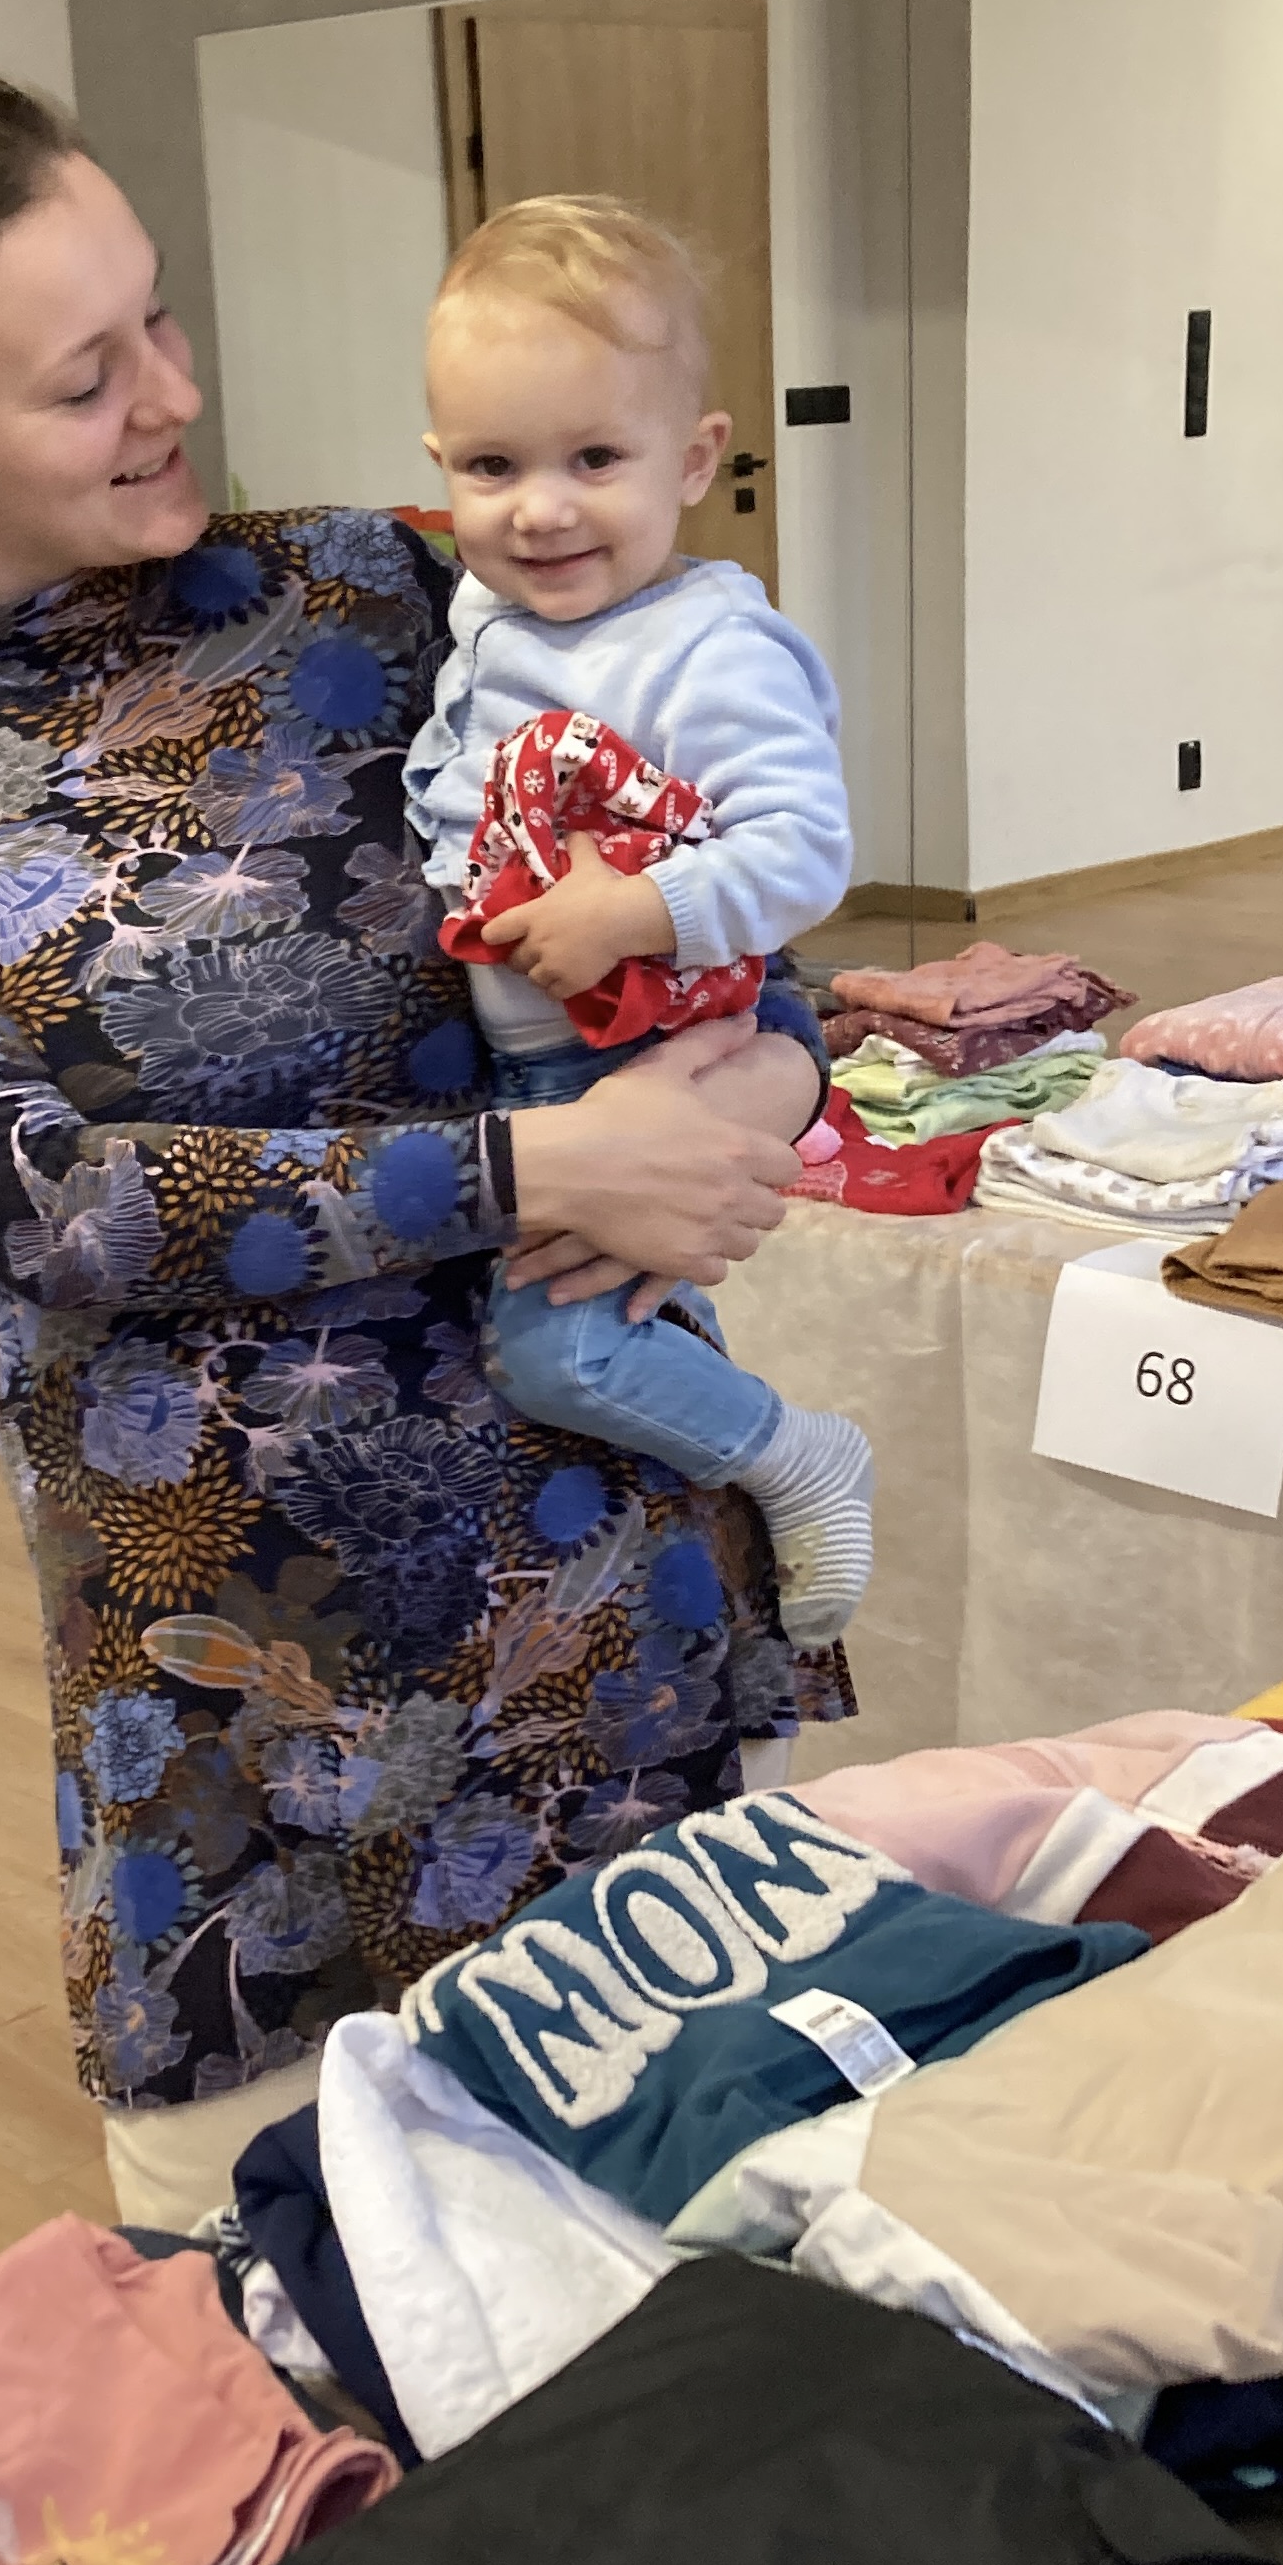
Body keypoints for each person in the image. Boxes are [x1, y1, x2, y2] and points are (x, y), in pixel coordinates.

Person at [0, 67, 848, 2222]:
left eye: (162, 319)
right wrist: (538, 1175)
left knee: (694, 2253)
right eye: (85, 377)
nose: (177, 396)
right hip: (250, 1678)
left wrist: (777, 1079)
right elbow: (51, 1205)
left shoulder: (395, 589)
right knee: (296, 2313)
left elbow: (715, 892)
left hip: (602, 1568)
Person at [406, 196, 873, 1646]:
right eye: (493, 466)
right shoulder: (489, 616)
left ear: (696, 460)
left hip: (626, 1052)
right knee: (607, 1324)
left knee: (559, 1357)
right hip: (530, 1069)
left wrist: (634, 909)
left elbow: (807, 849)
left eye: (594, 459)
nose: (541, 509)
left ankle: (797, 1456)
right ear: (440, 468)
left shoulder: (706, 649)